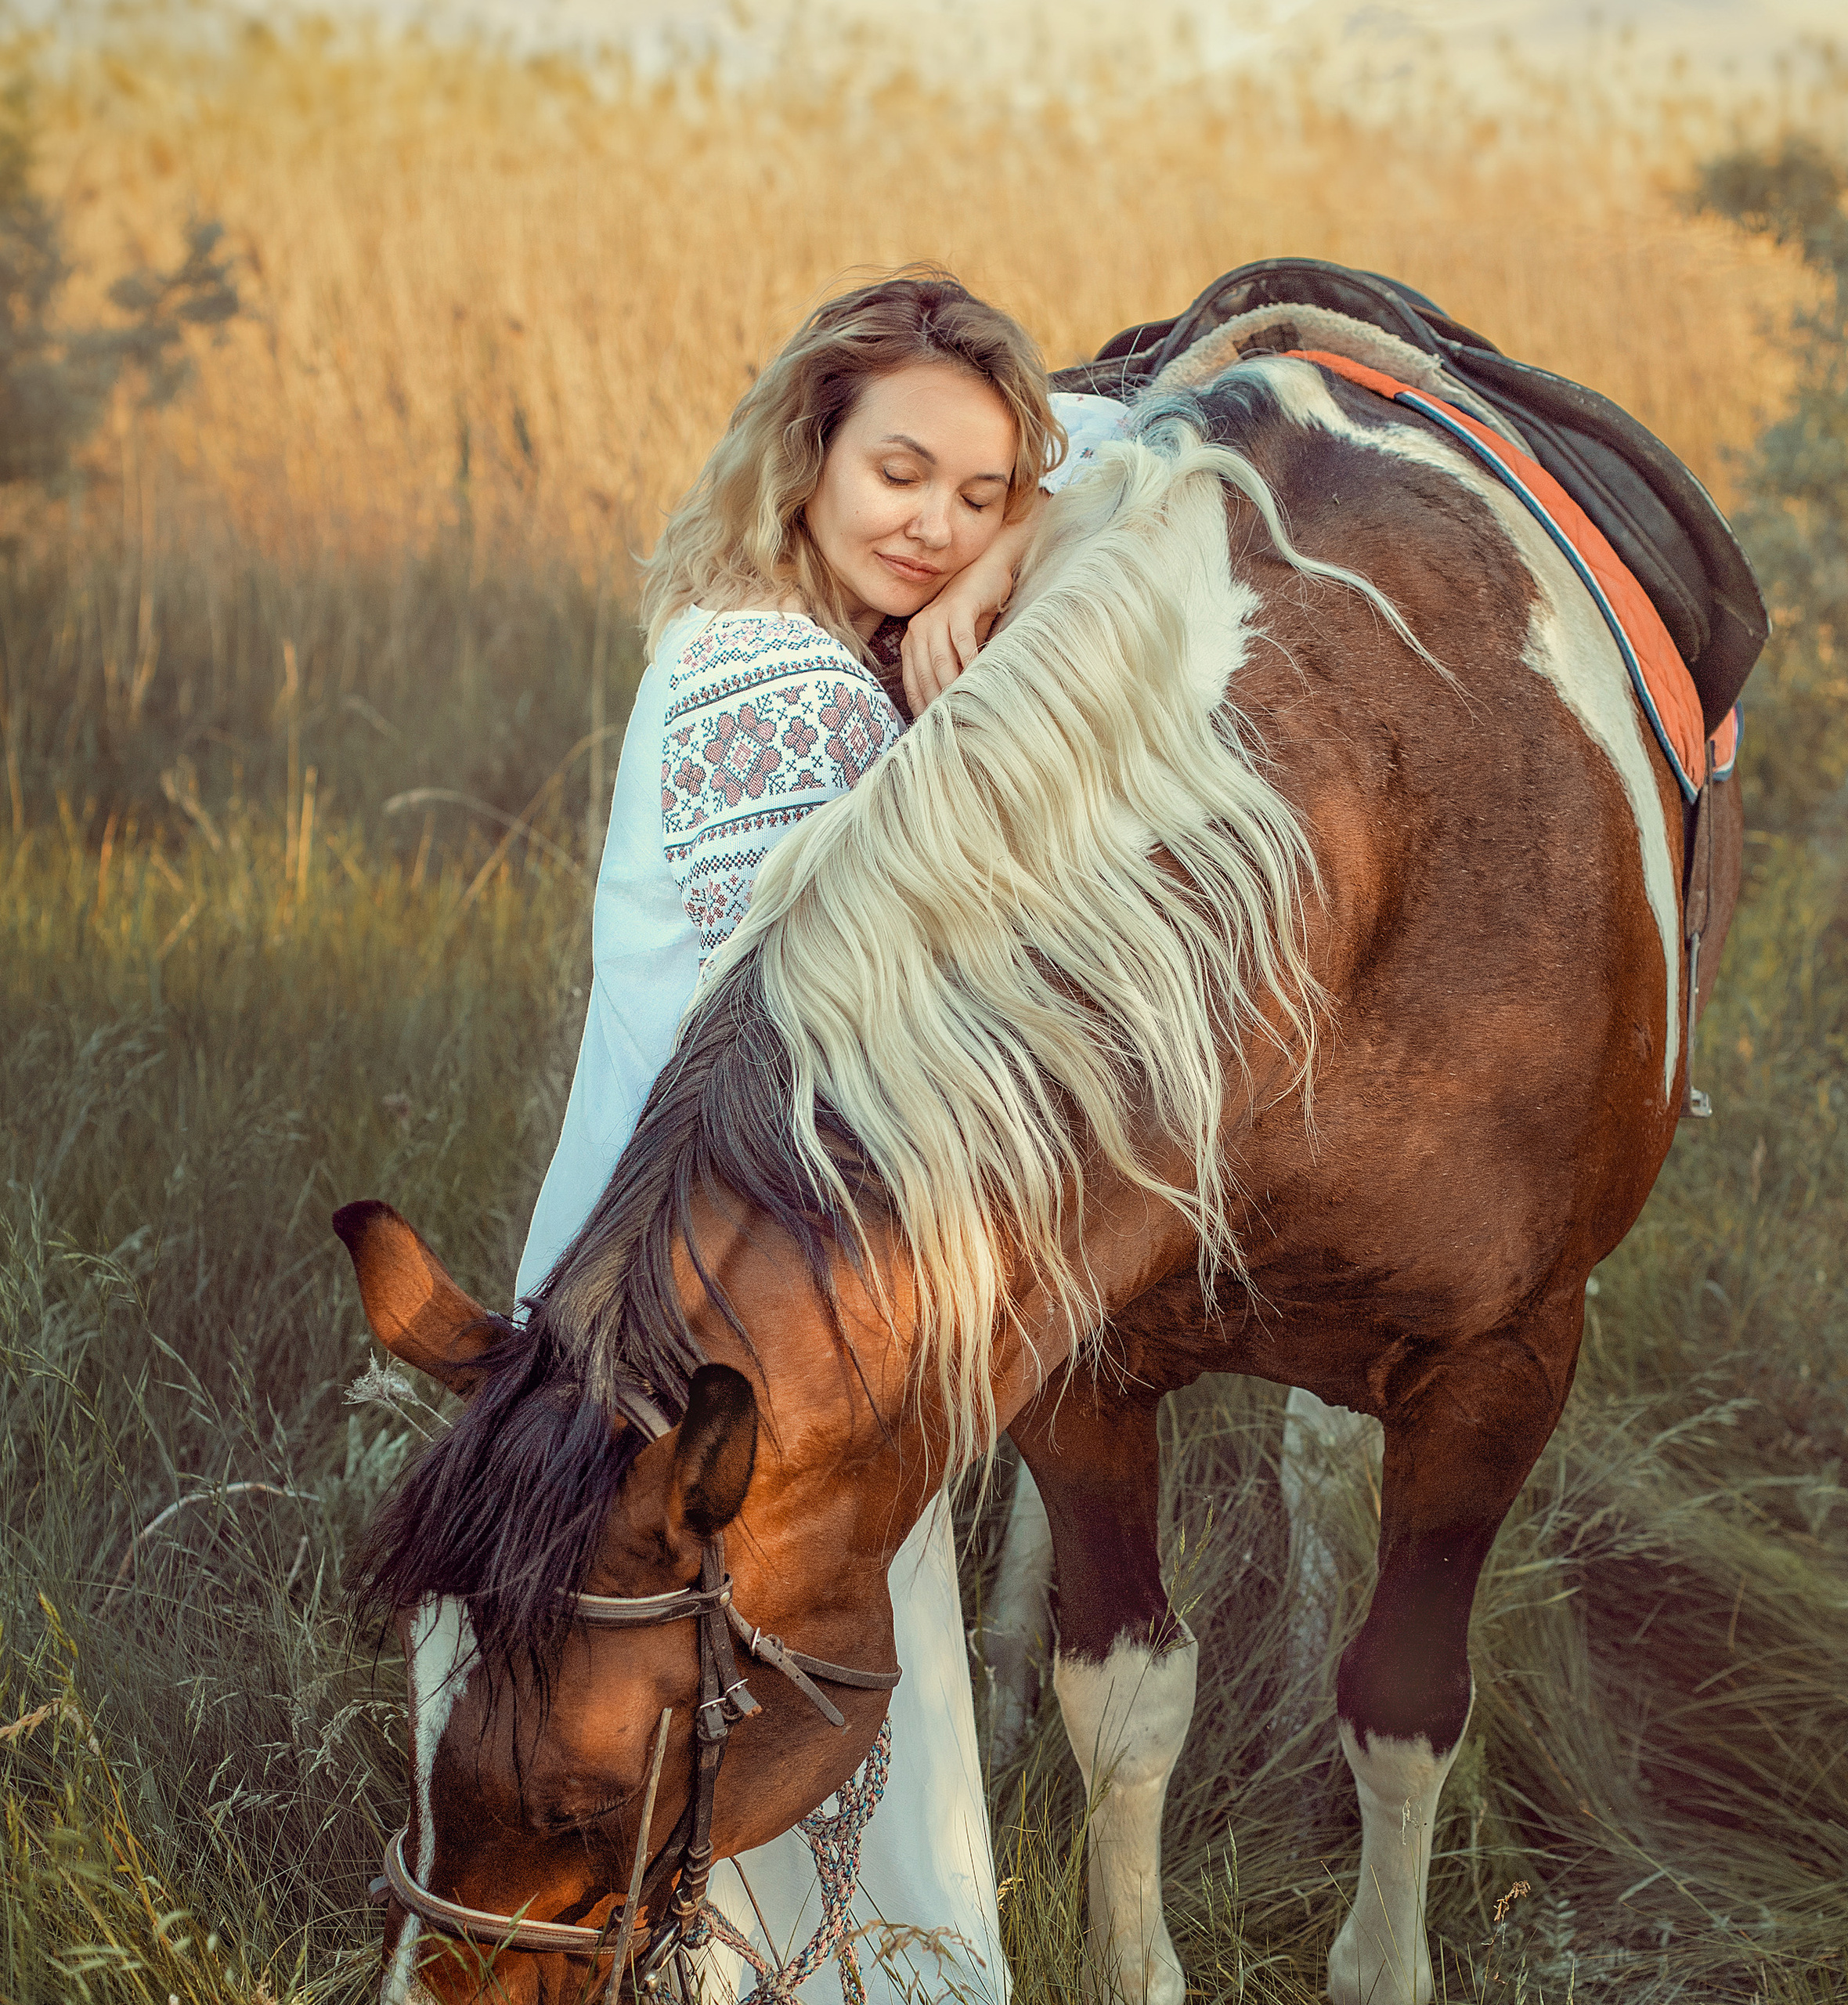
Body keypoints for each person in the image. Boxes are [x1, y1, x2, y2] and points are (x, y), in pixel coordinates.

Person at [514, 269, 1128, 2003]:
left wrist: (1015, 557)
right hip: (713, 1317)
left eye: (981, 496)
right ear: (807, 457)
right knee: (722, 1713)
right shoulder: (772, 682)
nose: (935, 526)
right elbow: (841, 1063)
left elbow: (1124, 444)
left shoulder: (813, 643)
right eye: (899, 474)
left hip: (745, 1290)